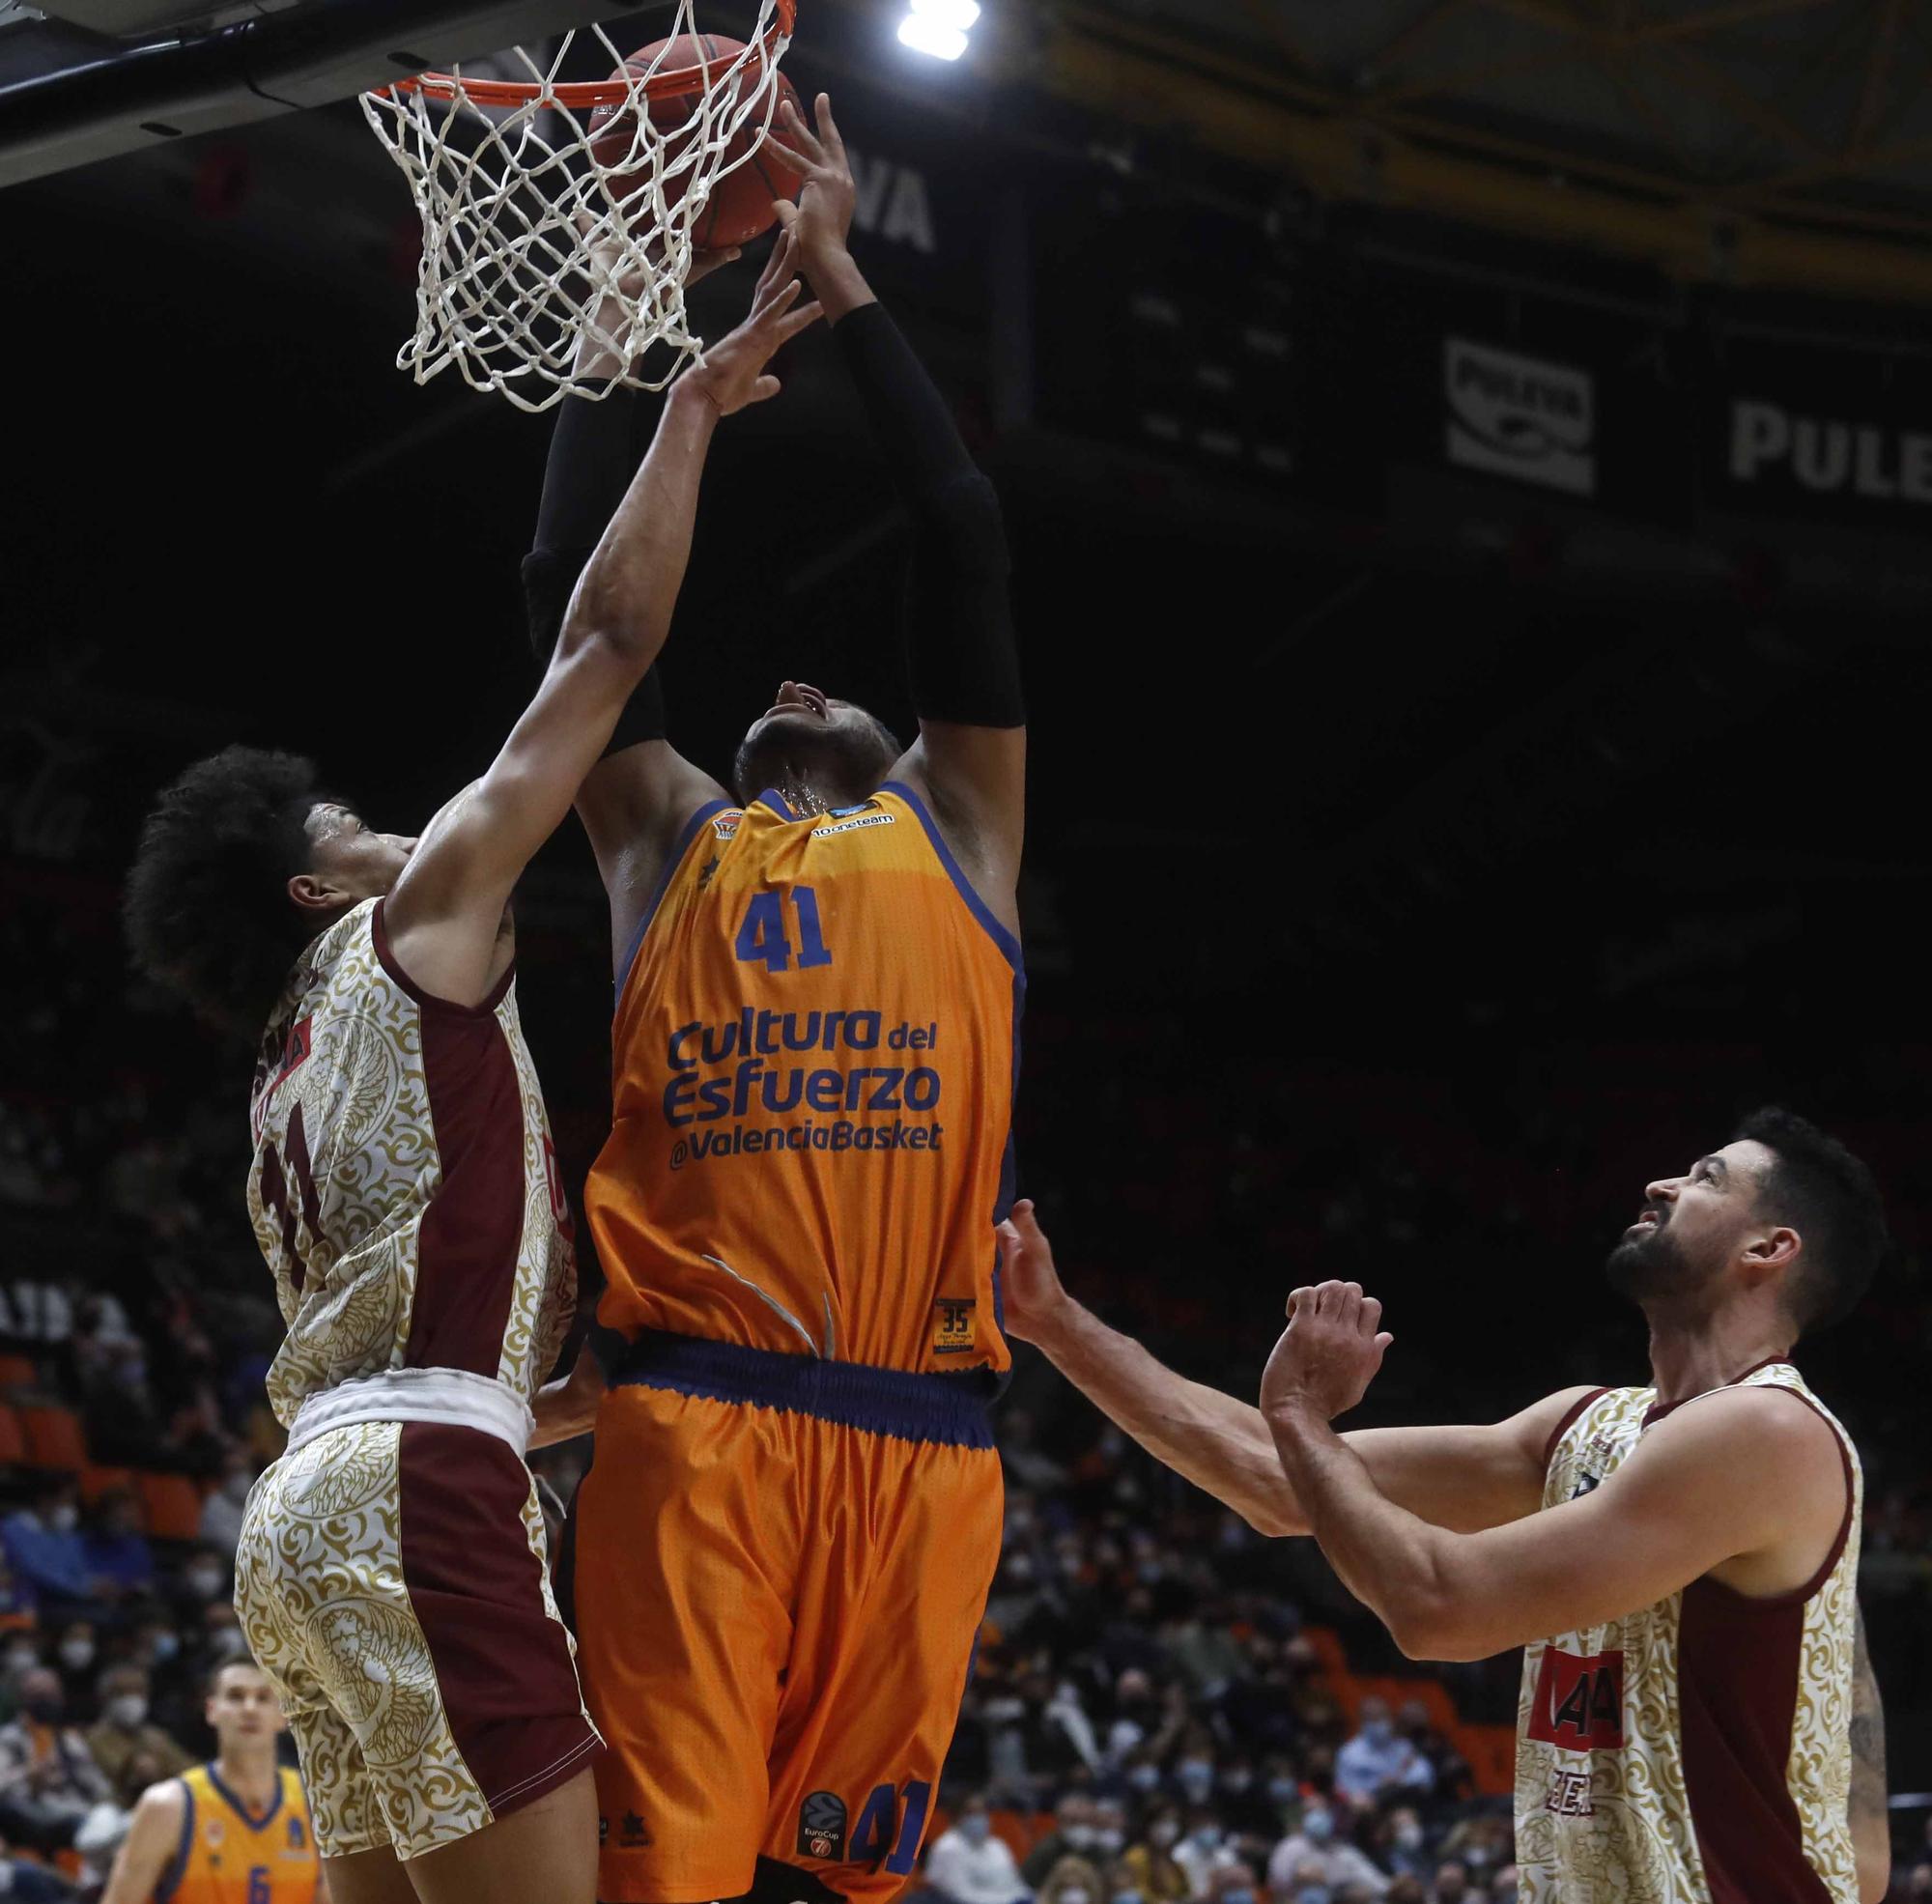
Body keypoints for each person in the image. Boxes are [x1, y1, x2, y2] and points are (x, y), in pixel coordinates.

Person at [122, 245, 819, 1904]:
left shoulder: (277, 1085)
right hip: (405, 1499)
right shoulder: (413, 920)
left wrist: (562, 1403)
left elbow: (401, 1339)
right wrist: (683, 410)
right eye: (344, 821)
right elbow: (603, 645)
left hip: (302, 1518)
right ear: (312, 883)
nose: (387, 824)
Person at [531, 92, 1027, 1904]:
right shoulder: (663, 843)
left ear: (899, 747)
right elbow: (567, 606)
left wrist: (847, 283)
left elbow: (961, 538)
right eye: (780, 678)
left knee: (839, 1889)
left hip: (922, 1444)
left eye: (838, 680)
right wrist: (626, 306)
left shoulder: (963, 832)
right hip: (698, 1430)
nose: (801, 670)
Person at [999, 1109, 1894, 1904]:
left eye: (1706, 1177)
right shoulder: (1591, 1423)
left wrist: (1299, 1413)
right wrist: (1054, 1323)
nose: (1661, 1181)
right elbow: (1275, 1480)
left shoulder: (1766, 1431)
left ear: (1769, 1249)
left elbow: (1441, 1605)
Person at [99, 1659, 322, 1904]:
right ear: (211, 1710)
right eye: (236, 1697)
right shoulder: (167, 1807)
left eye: (263, 1697)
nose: (249, 1708)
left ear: (284, 1713)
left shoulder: (315, 1804)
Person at [0, 1665, 112, 1850]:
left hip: (74, 1806)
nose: (46, 1700)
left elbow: (98, 1785)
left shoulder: (69, 1740)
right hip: (30, 1809)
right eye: (38, 1694)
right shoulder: (8, 1738)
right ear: (23, 1698)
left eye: (51, 1694)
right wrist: (27, 1775)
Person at [86, 1664, 192, 1806]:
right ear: (105, 1698)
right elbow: (125, 1773)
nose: (131, 1699)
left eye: (138, 1691)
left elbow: (188, 1769)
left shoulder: (156, 1736)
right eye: (122, 1693)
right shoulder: (95, 1739)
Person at [1264, 1805, 1387, 1901]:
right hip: (1294, 1895)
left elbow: (1361, 1878)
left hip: (1337, 1894)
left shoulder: (1340, 1850)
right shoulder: (1290, 1846)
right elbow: (1279, 1880)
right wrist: (1302, 1879)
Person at [923, 1796, 1026, 1904]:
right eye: (971, 1813)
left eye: (981, 1812)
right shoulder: (947, 1848)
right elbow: (960, 1895)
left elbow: (1015, 1883)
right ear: (955, 1817)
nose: (978, 1818)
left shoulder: (997, 1845)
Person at [1331, 1700, 1431, 1808]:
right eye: (1372, 1719)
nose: (1378, 1724)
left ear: (1389, 1718)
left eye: (1381, 1717)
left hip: (1405, 1800)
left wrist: (1399, 1780)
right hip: (1367, 1805)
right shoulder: (1349, 1753)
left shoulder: (1403, 1746)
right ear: (1362, 1721)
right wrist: (1377, 1784)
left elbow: (1423, 1774)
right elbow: (1343, 1788)